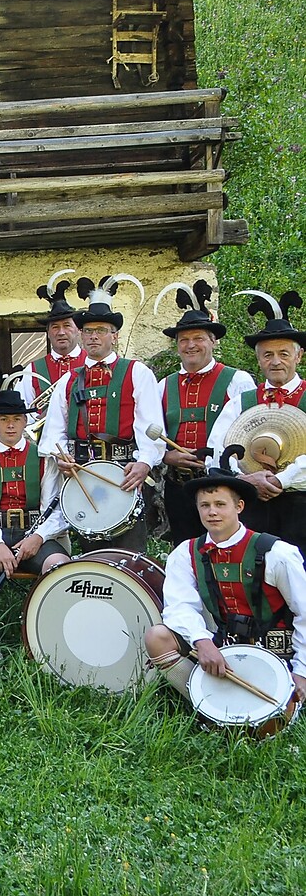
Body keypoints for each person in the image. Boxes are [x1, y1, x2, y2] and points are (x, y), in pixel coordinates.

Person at [144, 450, 306, 707]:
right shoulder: (186, 553)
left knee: (273, 721)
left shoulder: (277, 553)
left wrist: (302, 671)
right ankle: (205, 706)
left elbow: (304, 612)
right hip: (223, 646)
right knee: (157, 637)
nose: (212, 512)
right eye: (205, 505)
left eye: (220, 504)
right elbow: (179, 606)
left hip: (277, 650)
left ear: (239, 507)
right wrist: (202, 641)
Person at [38, 283, 165, 551]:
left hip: (125, 473)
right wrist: (61, 457)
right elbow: (53, 433)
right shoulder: (68, 381)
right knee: (92, 554)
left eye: (101, 331)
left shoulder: (137, 372)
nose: (93, 337)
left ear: (114, 336)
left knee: (128, 554)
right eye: (88, 331)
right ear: (81, 336)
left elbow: (151, 427)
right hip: (82, 476)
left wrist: (144, 463)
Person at [0, 388, 71, 659]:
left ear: (25, 421)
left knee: (59, 566)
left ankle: (50, 646)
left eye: (16, 419)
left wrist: (39, 537)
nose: (10, 425)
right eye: (4, 419)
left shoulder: (44, 458)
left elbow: (56, 506)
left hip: (35, 534)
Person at [205, 291, 306, 558]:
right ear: (259, 359)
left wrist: (281, 479)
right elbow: (215, 454)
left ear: (299, 356)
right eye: (267, 355)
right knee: (255, 572)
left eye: (284, 354)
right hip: (254, 507)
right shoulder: (241, 403)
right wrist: (245, 480)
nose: (275, 361)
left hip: (302, 508)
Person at [154, 281, 253, 544]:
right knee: (186, 550)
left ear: (213, 341)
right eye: (184, 340)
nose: (191, 345)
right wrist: (167, 455)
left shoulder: (237, 381)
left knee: (226, 548)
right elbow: (149, 432)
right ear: (177, 345)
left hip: (223, 489)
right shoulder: (163, 386)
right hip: (179, 489)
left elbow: (251, 431)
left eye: (198, 338)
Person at [18, 271, 85, 408]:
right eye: (55, 327)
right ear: (48, 332)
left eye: (67, 326)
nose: (61, 332)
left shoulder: (93, 363)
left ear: (78, 329)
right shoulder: (33, 369)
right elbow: (22, 409)